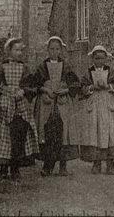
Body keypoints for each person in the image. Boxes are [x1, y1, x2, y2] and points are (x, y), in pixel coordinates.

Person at [78, 44, 114, 175]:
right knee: (95, 132)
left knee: (111, 133)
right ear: (92, 59)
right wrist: (91, 88)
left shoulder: (110, 71)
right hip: (94, 104)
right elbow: (82, 88)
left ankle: (110, 163)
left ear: (105, 59)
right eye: (96, 58)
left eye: (102, 58)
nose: (99, 61)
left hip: (108, 104)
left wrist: (108, 86)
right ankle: (96, 162)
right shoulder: (88, 72)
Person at [33, 36, 79, 177]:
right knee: (48, 133)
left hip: (62, 105)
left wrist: (65, 90)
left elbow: (75, 84)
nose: (54, 51)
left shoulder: (66, 66)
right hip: (46, 104)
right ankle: (48, 166)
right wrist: (45, 90)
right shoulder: (42, 66)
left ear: (61, 50)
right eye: (51, 49)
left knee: (63, 132)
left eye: (57, 49)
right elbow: (35, 84)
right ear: (47, 50)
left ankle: (62, 166)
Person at [0, 38, 39, 181]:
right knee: (4, 136)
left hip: (21, 105)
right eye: (16, 50)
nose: (19, 53)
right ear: (9, 51)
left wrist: (24, 91)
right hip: (6, 104)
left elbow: (32, 85)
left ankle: (15, 167)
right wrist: (2, 89)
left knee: (18, 135)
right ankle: (3, 167)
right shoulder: (1, 67)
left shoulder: (25, 68)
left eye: (21, 50)